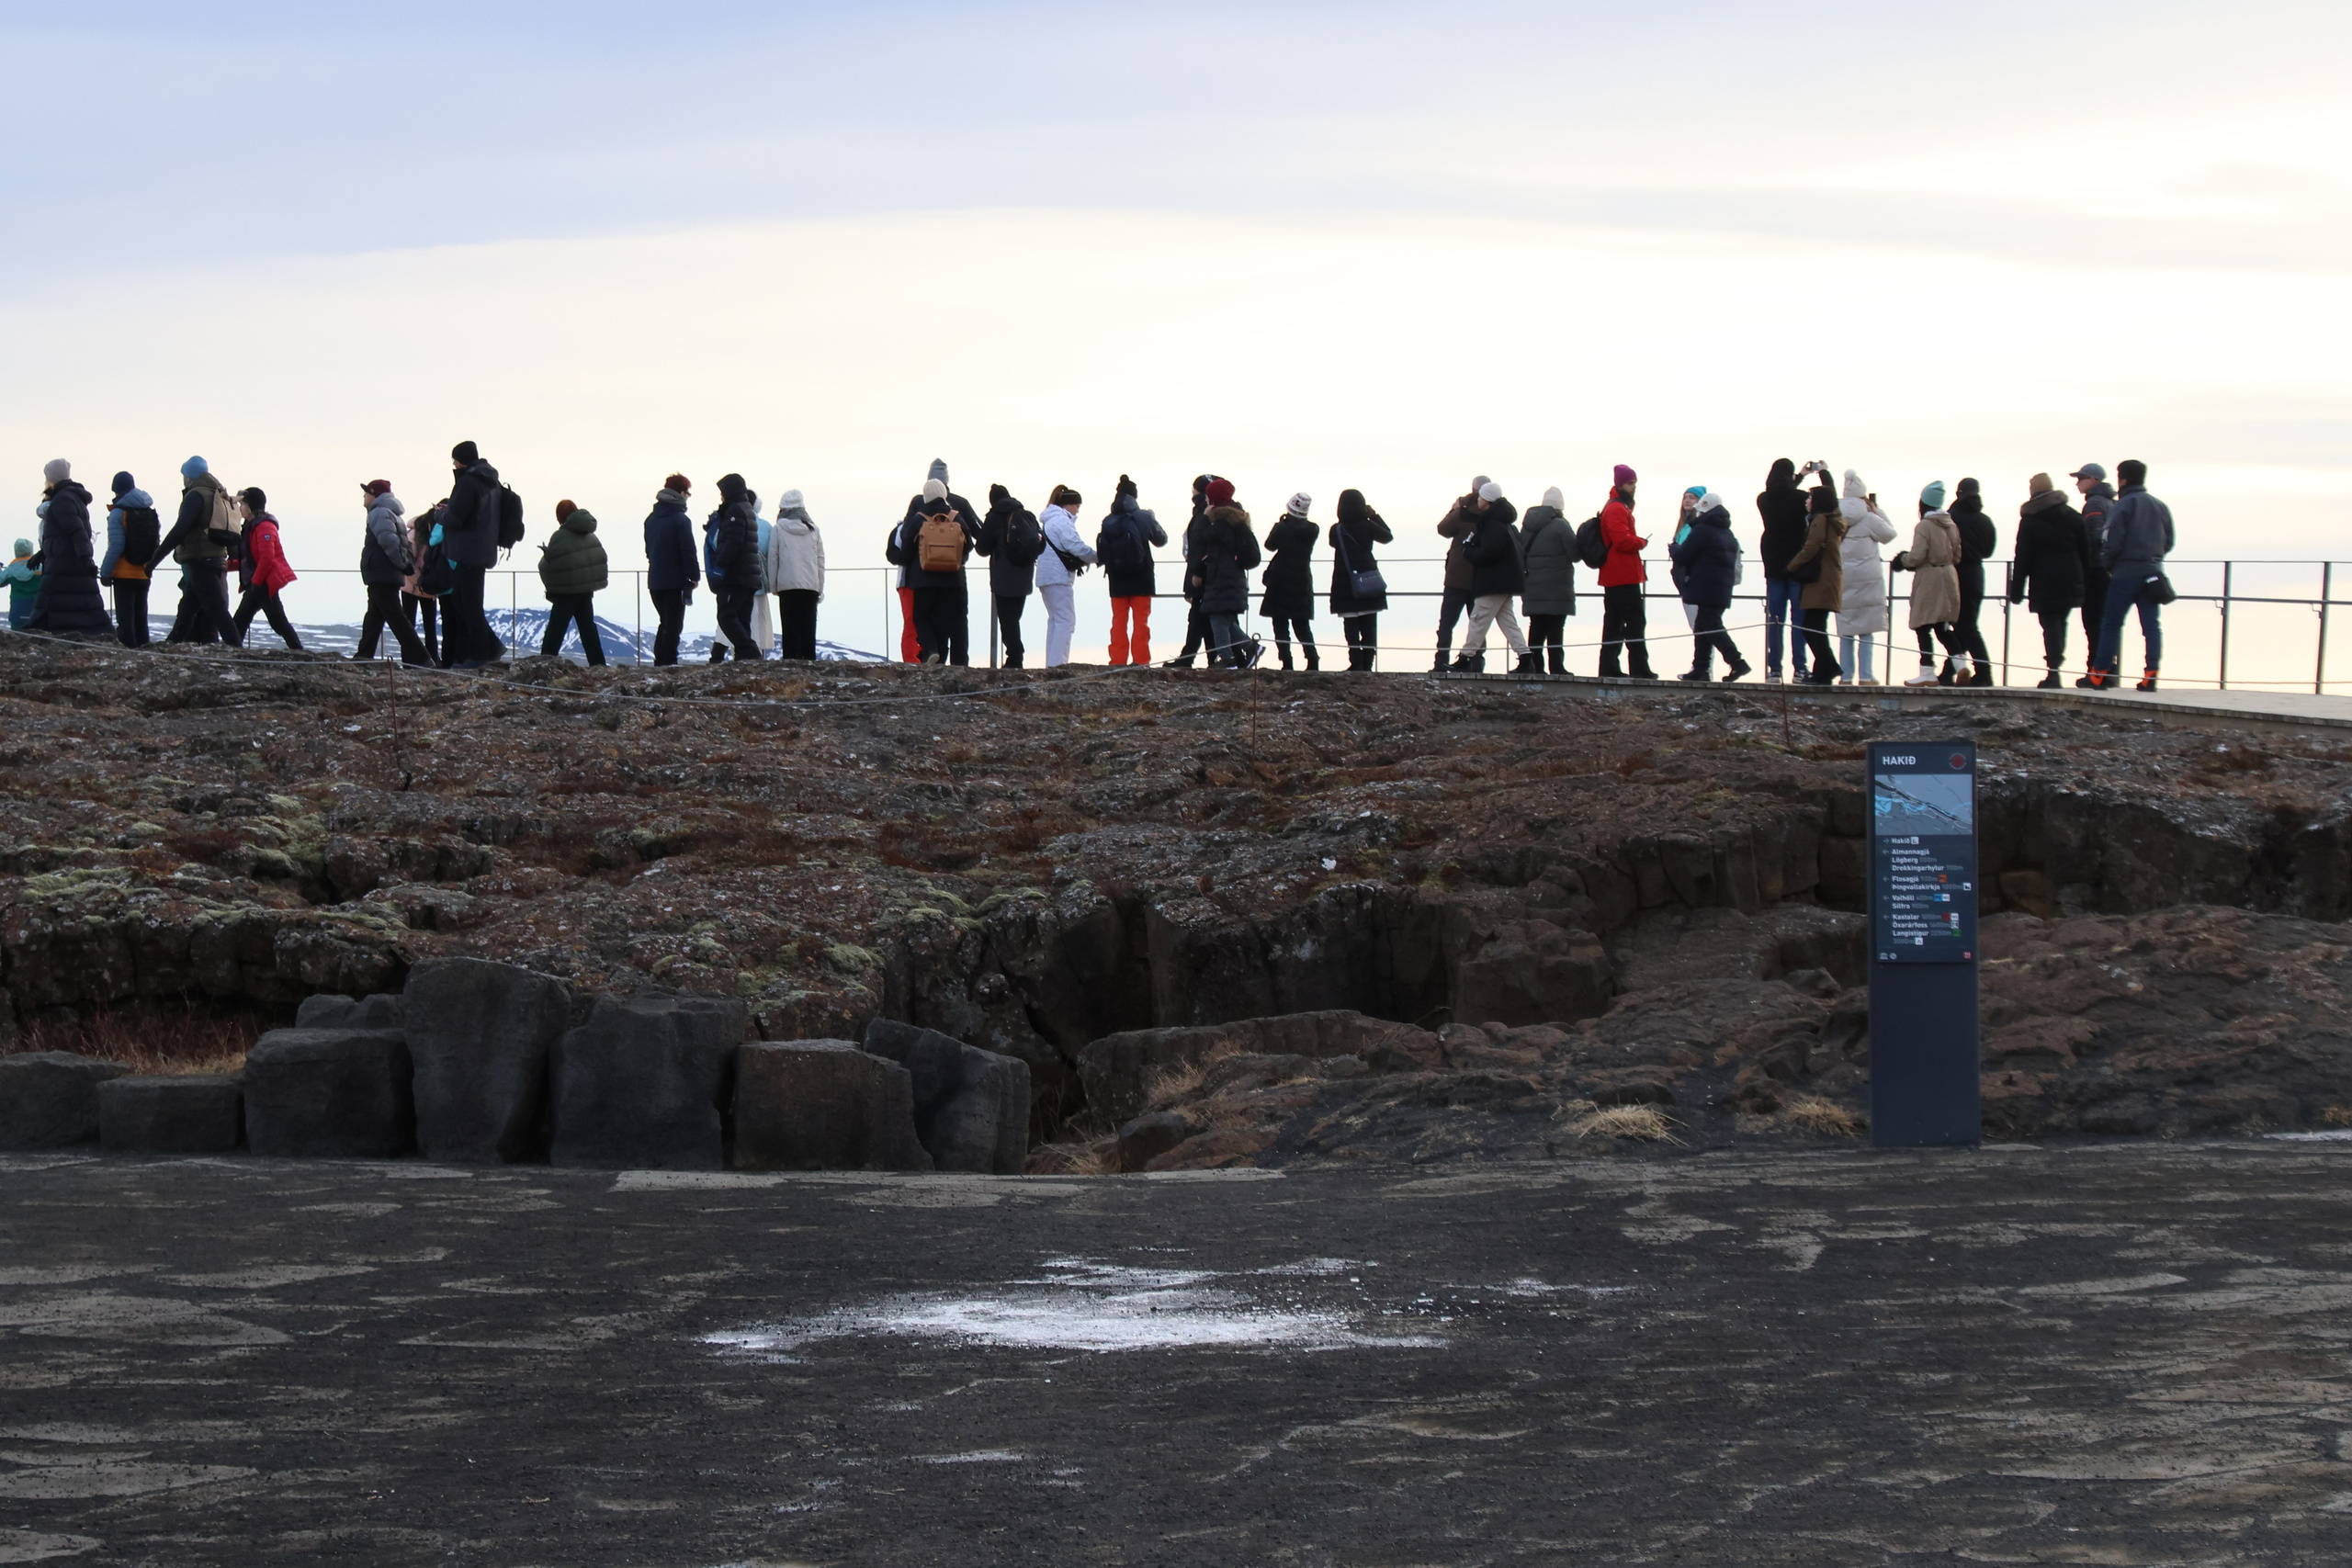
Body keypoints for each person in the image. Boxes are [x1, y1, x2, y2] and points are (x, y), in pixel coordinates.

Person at [2088, 458, 2174, 691]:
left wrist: (2109, 564)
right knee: (2151, 626)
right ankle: (2151, 675)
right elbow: (2169, 541)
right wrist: (2153, 560)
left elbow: (2112, 541)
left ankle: (2100, 674)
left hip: (2125, 574)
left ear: (2123, 479)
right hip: (2153, 574)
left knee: (2111, 624)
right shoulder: (2160, 505)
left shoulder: (2123, 505)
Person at [2007, 472, 2094, 689]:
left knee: (2050, 625)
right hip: (2071, 578)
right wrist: (2086, 581)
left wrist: (2016, 590)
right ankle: (2056, 667)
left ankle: (2053, 672)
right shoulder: (2073, 516)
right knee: (2060, 622)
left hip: (2044, 580)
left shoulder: (2030, 521)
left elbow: (2023, 557)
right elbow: (2086, 552)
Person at [889, 476, 978, 665]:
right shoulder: (955, 516)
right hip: (953, 580)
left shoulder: (919, 518)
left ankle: (930, 650)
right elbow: (969, 544)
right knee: (948, 622)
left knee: (922, 617)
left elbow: (906, 552)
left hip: (925, 579)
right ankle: (953, 661)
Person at [155, 456, 240, 646]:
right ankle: (172, 644)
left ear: (189, 476)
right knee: (187, 608)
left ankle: (238, 650)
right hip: (216, 559)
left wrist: (154, 561)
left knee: (216, 609)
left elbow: (180, 530)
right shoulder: (218, 493)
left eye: (184, 474)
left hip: (202, 560)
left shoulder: (196, 495)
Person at [1668, 492, 1748, 681]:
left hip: (1706, 586)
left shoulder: (1703, 530)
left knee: (1711, 625)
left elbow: (1683, 555)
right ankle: (1701, 668)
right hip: (1721, 587)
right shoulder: (1726, 531)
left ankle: (1737, 662)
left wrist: (1673, 548)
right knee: (1702, 626)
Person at [1454, 482, 1532, 673]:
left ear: (1487, 501)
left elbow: (1488, 553)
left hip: (1493, 581)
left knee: (1478, 618)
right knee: (1507, 620)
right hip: (1506, 581)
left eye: (1481, 497)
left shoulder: (1492, 525)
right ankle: (1525, 657)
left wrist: (1468, 551)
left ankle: (1466, 657)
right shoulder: (1504, 523)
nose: (1478, 500)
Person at [28, 461, 113, 637]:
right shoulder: (71, 497)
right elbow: (64, 534)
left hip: (64, 566)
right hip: (67, 563)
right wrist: (42, 553)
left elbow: (77, 531)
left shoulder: (62, 499)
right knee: (79, 607)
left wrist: (85, 558)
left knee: (51, 604)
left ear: (52, 478)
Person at [440, 440, 506, 668]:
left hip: (468, 551)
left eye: (455, 459)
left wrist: (438, 515)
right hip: (481, 548)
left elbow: (457, 517)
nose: (453, 463)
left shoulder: (469, 482)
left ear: (462, 460)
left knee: (467, 604)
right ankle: (487, 647)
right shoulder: (490, 481)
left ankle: (480, 655)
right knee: (463, 600)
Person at [1895, 481, 1968, 686]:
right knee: (1943, 627)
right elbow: (1957, 555)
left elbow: (1917, 555)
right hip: (1949, 576)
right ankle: (1961, 666)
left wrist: (1902, 560)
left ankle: (1927, 671)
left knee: (1922, 625)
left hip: (1930, 578)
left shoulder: (1924, 526)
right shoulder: (1951, 524)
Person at [353, 480, 428, 663]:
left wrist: (401, 564)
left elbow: (389, 542)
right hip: (384, 572)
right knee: (374, 617)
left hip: (382, 572)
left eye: (366, 493)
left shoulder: (379, 512)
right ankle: (364, 655)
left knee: (396, 618)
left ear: (374, 495)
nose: (364, 496)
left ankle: (422, 657)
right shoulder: (389, 513)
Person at [1098, 475, 1169, 667]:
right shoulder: (1143, 516)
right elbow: (1161, 540)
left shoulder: (1108, 520)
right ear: (1134, 497)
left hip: (1116, 577)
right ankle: (1141, 660)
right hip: (1141, 576)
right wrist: (1152, 518)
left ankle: (1117, 660)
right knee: (1141, 621)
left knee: (1118, 621)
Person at [1834, 471, 1897, 683]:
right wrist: (1877, 510)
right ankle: (1866, 676)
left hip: (1842, 578)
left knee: (1846, 630)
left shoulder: (1835, 517)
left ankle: (1845, 675)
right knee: (1867, 630)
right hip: (1868, 580)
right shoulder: (1870, 518)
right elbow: (1890, 534)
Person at [1756, 458, 1815, 682]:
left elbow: (1782, 491)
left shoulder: (1762, 500)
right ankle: (1800, 668)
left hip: (1772, 563)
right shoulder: (1800, 499)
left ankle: (1774, 669)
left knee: (1775, 620)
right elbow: (1799, 498)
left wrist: (1798, 476)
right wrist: (1804, 477)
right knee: (1798, 620)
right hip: (1797, 565)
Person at [1782, 486, 1848, 684]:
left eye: (1810, 497)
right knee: (1816, 625)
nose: (1807, 501)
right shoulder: (1833, 520)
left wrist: (1791, 567)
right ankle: (1824, 670)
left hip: (1821, 579)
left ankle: (1828, 667)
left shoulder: (1820, 519)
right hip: (1829, 578)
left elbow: (1811, 547)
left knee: (1811, 626)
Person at [1195, 478, 1261, 668]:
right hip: (1231, 580)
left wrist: (1204, 516)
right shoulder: (1235, 521)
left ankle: (1228, 659)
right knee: (1223, 619)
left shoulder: (1221, 523)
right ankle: (1249, 648)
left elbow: (1200, 538)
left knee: (1218, 618)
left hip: (1223, 579)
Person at [1596, 465, 1653, 679]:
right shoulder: (1618, 509)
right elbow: (1622, 541)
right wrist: (1641, 542)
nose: (1634, 487)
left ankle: (1609, 667)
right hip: (1623, 575)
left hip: (1614, 575)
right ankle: (1640, 669)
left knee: (1614, 623)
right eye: (1631, 483)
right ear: (1621, 484)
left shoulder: (1613, 507)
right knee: (1635, 621)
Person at [976, 484, 1042, 669]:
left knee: (1007, 620)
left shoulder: (995, 517)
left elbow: (982, 548)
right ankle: (1015, 656)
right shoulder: (1026, 515)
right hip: (1024, 575)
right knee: (1014, 618)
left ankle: (1015, 658)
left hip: (1003, 577)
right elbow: (1040, 544)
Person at [536, 499, 609, 666]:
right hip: (586, 589)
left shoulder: (560, 536)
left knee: (556, 629)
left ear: (560, 517)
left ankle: (544, 663)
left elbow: (553, 562)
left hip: (566, 591)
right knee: (587, 628)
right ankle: (598, 665)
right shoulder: (590, 533)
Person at [227, 488, 300, 649]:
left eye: (243, 504)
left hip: (264, 584)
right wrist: (225, 566)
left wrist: (256, 583)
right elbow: (249, 560)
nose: (240, 508)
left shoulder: (264, 527)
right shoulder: (251, 526)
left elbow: (267, 559)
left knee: (278, 622)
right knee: (241, 620)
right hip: (257, 583)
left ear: (251, 506)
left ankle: (299, 652)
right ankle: (232, 652)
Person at [1329, 489, 1391, 671]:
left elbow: (1333, 544)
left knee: (1351, 626)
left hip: (1345, 581)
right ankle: (1368, 664)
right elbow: (1387, 536)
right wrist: (1374, 516)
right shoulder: (1368, 525)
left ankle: (1355, 662)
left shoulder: (1336, 529)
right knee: (1369, 626)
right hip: (1368, 579)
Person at [1944, 478, 1998, 686]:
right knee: (1966, 626)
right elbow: (1988, 551)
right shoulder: (1984, 520)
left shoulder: (1951, 518)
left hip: (1955, 574)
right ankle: (1950, 671)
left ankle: (1983, 672)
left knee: (1962, 627)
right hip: (1976, 574)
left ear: (1958, 494)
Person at [1034, 484, 1094, 667]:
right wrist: (1097, 556)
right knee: (1065, 620)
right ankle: (1058, 665)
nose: (1077, 511)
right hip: (1058, 577)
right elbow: (1075, 545)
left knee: (1055, 620)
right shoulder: (1061, 521)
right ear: (1068, 505)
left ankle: (1052, 663)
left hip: (1045, 576)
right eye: (1077, 506)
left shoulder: (1049, 521)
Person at [704, 473, 763, 662]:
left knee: (726, 615)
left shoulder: (735, 511)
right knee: (742, 618)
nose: (721, 497)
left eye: (723, 492)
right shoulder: (746, 509)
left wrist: (720, 566)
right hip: (748, 576)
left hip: (735, 576)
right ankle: (744, 658)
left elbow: (733, 542)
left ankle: (749, 651)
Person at [1430, 475, 1487, 671]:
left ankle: (1441, 662)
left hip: (1456, 576)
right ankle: (1477, 663)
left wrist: (1454, 508)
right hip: (1481, 576)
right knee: (1478, 624)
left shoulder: (1463, 511)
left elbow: (1443, 529)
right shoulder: (1491, 514)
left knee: (1447, 623)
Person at [1259, 491, 1319, 671]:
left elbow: (1270, 545)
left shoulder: (1283, 528)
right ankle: (1312, 659)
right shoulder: (1312, 530)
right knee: (1302, 624)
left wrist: (1280, 523)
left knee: (1280, 623)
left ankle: (1286, 661)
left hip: (1280, 580)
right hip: (1302, 579)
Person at [1520, 486, 1577, 674]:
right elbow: (1575, 554)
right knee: (1555, 629)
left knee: (1536, 627)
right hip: (1557, 586)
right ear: (1560, 507)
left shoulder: (1527, 526)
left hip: (1533, 585)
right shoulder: (1562, 526)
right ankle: (1557, 667)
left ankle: (1535, 667)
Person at [643, 474, 698, 666]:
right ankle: (667, 664)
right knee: (674, 625)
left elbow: (649, 551)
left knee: (665, 623)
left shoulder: (651, 519)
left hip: (655, 580)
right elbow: (688, 551)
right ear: (681, 493)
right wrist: (694, 576)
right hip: (676, 581)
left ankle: (661, 661)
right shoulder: (681, 520)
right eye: (688, 493)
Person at [764, 489, 825, 661]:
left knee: (790, 629)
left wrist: (774, 586)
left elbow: (773, 559)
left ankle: (790, 667)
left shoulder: (778, 529)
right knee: (808, 629)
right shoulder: (814, 529)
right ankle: (810, 666)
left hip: (787, 585)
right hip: (810, 585)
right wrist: (819, 587)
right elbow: (820, 560)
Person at [1163, 475, 1218, 668]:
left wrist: (1196, 575)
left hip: (1202, 574)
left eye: (1194, 489)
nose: (1192, 493)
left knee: (1200, 617)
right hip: (1204, 572)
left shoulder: (1204, 513)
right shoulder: (1204, 511)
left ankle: (1190, 658)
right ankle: (1210, 658)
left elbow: (1198, 547)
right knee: (1202, 617)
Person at [100, 471, 158, 647]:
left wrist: (105, 572)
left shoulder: (119, 513)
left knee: (126, 623)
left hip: (123, 576)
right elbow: (156, 543)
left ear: (116, 490)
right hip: (144, 574)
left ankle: (129, 658)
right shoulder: (149, 511)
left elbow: (116, 545)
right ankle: (145, 654)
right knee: (141, 621)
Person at [2071, 462, 2116, 661]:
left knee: (2092, 619)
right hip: (2107, 569)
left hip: (2096, 568)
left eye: (2081, 478)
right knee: (2104, 620)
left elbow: (2095, 536)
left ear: (2094, 480)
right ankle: (2107, 666)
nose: (2077, 483)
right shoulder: (2110, 502)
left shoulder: (2095, 503)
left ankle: (2096, 668)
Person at [403, 502, 443, 664]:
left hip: (412, 584)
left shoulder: (413, 533)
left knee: (410, 624)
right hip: (422, 585)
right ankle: (431, 659)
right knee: (426, 625)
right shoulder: (428, 534)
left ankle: (412, 660)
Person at [1668, 484, 1705, 631]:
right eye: (1685, 497)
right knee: (1695, 623)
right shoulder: (1684, 526)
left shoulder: (1698, 525)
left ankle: (1707, 655)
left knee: (1701, 623)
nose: (1687, 500)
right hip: (1683, 580)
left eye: (1692, 497)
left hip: (1693, 579)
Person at [2, 538, 39, 629]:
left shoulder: (10, 570)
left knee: (16, 641)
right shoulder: (41, 568)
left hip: (17, 613)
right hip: (37, 613)